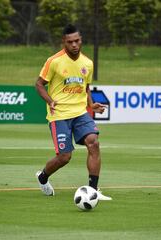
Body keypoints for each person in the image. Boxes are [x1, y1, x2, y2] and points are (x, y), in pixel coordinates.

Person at [35, 24, 111, 200]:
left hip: (80, 112)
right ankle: (43, 176)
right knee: (64, 157)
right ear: (64, 42)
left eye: (77, 41)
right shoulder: (53, 61)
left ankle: (93, 191)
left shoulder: (87, 63)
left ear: (81, 40)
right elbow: (39, 84)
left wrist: (91, 105)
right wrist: (49, 100)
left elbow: (86, 86)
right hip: (59, 114)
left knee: (94, 143)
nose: (74, 45)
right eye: (70, 42)